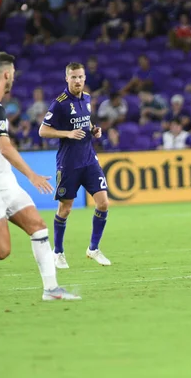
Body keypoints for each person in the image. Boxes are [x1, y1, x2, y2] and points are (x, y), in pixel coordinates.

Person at [0, 52, 80, 300]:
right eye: (13, 74)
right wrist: (32, 176)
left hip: (4, 181)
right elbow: (5, 147)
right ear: (7, 74)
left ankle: (51, 290)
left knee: (38, 227)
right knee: (2, 251)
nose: (14, 79)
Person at [39, 62, 111, 269]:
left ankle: (93, 248)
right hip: (69, 163)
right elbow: (43, 131)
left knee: (103, 203)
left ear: (85, 78)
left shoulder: (87, 98)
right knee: (65, 208)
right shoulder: (59, 103)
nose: (77, 81)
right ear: (67, 79)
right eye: (73, 77)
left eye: (80, 77)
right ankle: (58, 252)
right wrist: (67, 133)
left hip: (89, 160)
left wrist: (94, 131)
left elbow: (85, 122)